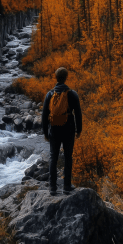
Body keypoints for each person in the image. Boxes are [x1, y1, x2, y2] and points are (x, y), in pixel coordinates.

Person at [42, 66, 82, 195]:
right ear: (66, 77)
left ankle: (52, 187)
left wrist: (45, 132)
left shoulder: (50, 94)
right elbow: (78, 113)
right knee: (68, 157)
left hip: (54, 129)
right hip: (68, 129)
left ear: (56, 77)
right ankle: (66, 186)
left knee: (53, 157)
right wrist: (79, 129)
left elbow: (44, 115)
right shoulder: (72, 94)